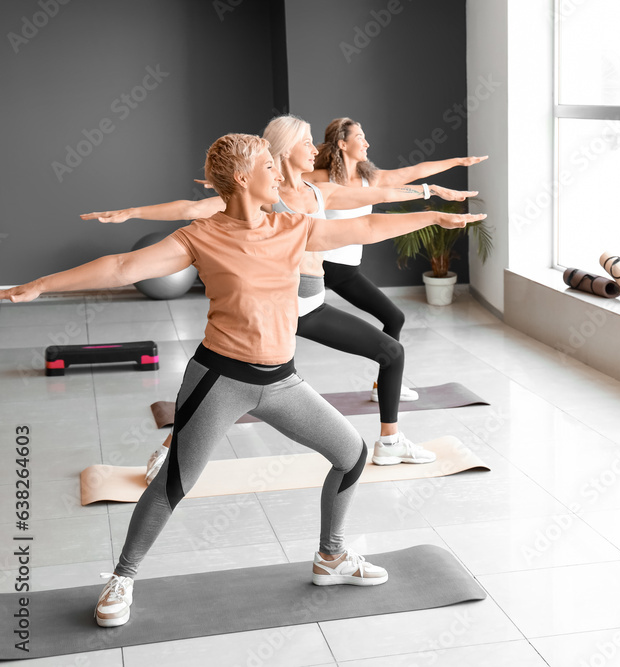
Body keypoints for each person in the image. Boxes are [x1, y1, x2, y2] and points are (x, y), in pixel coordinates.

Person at [3, 132, 484, 627]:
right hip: (220, 378)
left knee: (351, 454)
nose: (278, 173)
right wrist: (39, 285)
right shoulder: (200, 235)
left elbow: (362, 226)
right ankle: (122, 577)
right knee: (175, 482)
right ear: (241, 178)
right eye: (268, 167)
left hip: (283, 381)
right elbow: (122, 267)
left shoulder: (292, 227)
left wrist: (431, 214)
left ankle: (331, 557)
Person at [83, 115, 476, 482]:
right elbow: (192, 208)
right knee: (219, 387)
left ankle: (389, 442)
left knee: (390, 351)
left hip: (313, 306)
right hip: (278, 312)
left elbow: (383, 193)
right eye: (307, 142)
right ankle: (171, 452)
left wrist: (430, 194)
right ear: (286, 151)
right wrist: (131, 212)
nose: (315, 149)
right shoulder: (266, 197)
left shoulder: (321, 191)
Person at [305, 118, 487, 404]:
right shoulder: (319, 178)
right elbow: (278, 183)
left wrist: (457, 161)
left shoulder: (371, 178)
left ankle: (384, 384)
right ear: (342, 143)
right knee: (287, 323)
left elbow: (414, 172)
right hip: (321, 266)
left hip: (345, 269)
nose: (367, 143)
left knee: (392, 317)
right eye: (360, 137)